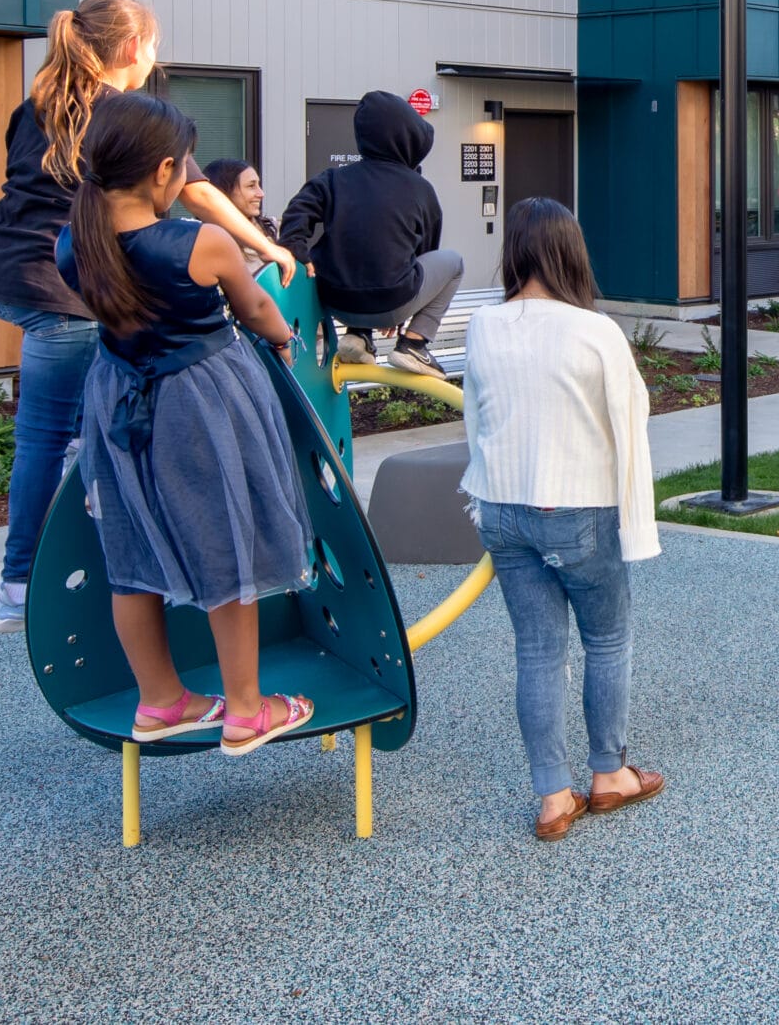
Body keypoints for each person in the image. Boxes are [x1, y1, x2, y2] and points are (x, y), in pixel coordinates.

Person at [0, 0, 295, 635]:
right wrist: (263, 243)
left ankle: (54, 556)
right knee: (89, 426)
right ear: (131, 49)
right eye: (154, 44)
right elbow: (198, 194)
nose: (156, 56)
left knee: (63, 429)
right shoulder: (129, 117)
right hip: (65, 284)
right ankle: (26, 579)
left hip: (10, 269)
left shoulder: (37, 104)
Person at [58, 92, 318, 752]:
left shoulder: (73, 245)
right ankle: (247, 709)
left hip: (118, 401)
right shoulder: (199, 241)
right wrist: (282, 335)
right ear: (164, 171)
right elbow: (255, 305)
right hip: (198, 401)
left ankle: (162, 701)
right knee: (229, 538)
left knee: (131, 549)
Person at [461, 198, 664, 842]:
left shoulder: (483, 325)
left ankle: (553, 796)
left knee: (537, 651)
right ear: (570, 251)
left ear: (515, 251)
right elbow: (632, 421)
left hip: (500, 505)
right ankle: (609, 774)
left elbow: (477, 414)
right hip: (579, 505)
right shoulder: (594, 330)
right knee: (606, 641)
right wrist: (638, 524)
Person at [278, 91, 460, 376]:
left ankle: (359, 335)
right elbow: (426, 253)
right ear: (410, 138)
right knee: (454, 262)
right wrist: (404, 307)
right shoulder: (419, 188)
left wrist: (296, 249)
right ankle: (415, 343)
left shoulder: (332, 179)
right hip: (394, 301)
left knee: (354, 246)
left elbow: (296, 213)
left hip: (334, 299)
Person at [204, 158, 278, 241]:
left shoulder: (272, 228)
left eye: (258, 185)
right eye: (251, 186)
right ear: (223, 191)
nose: (261, 194)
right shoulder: (204, 237)